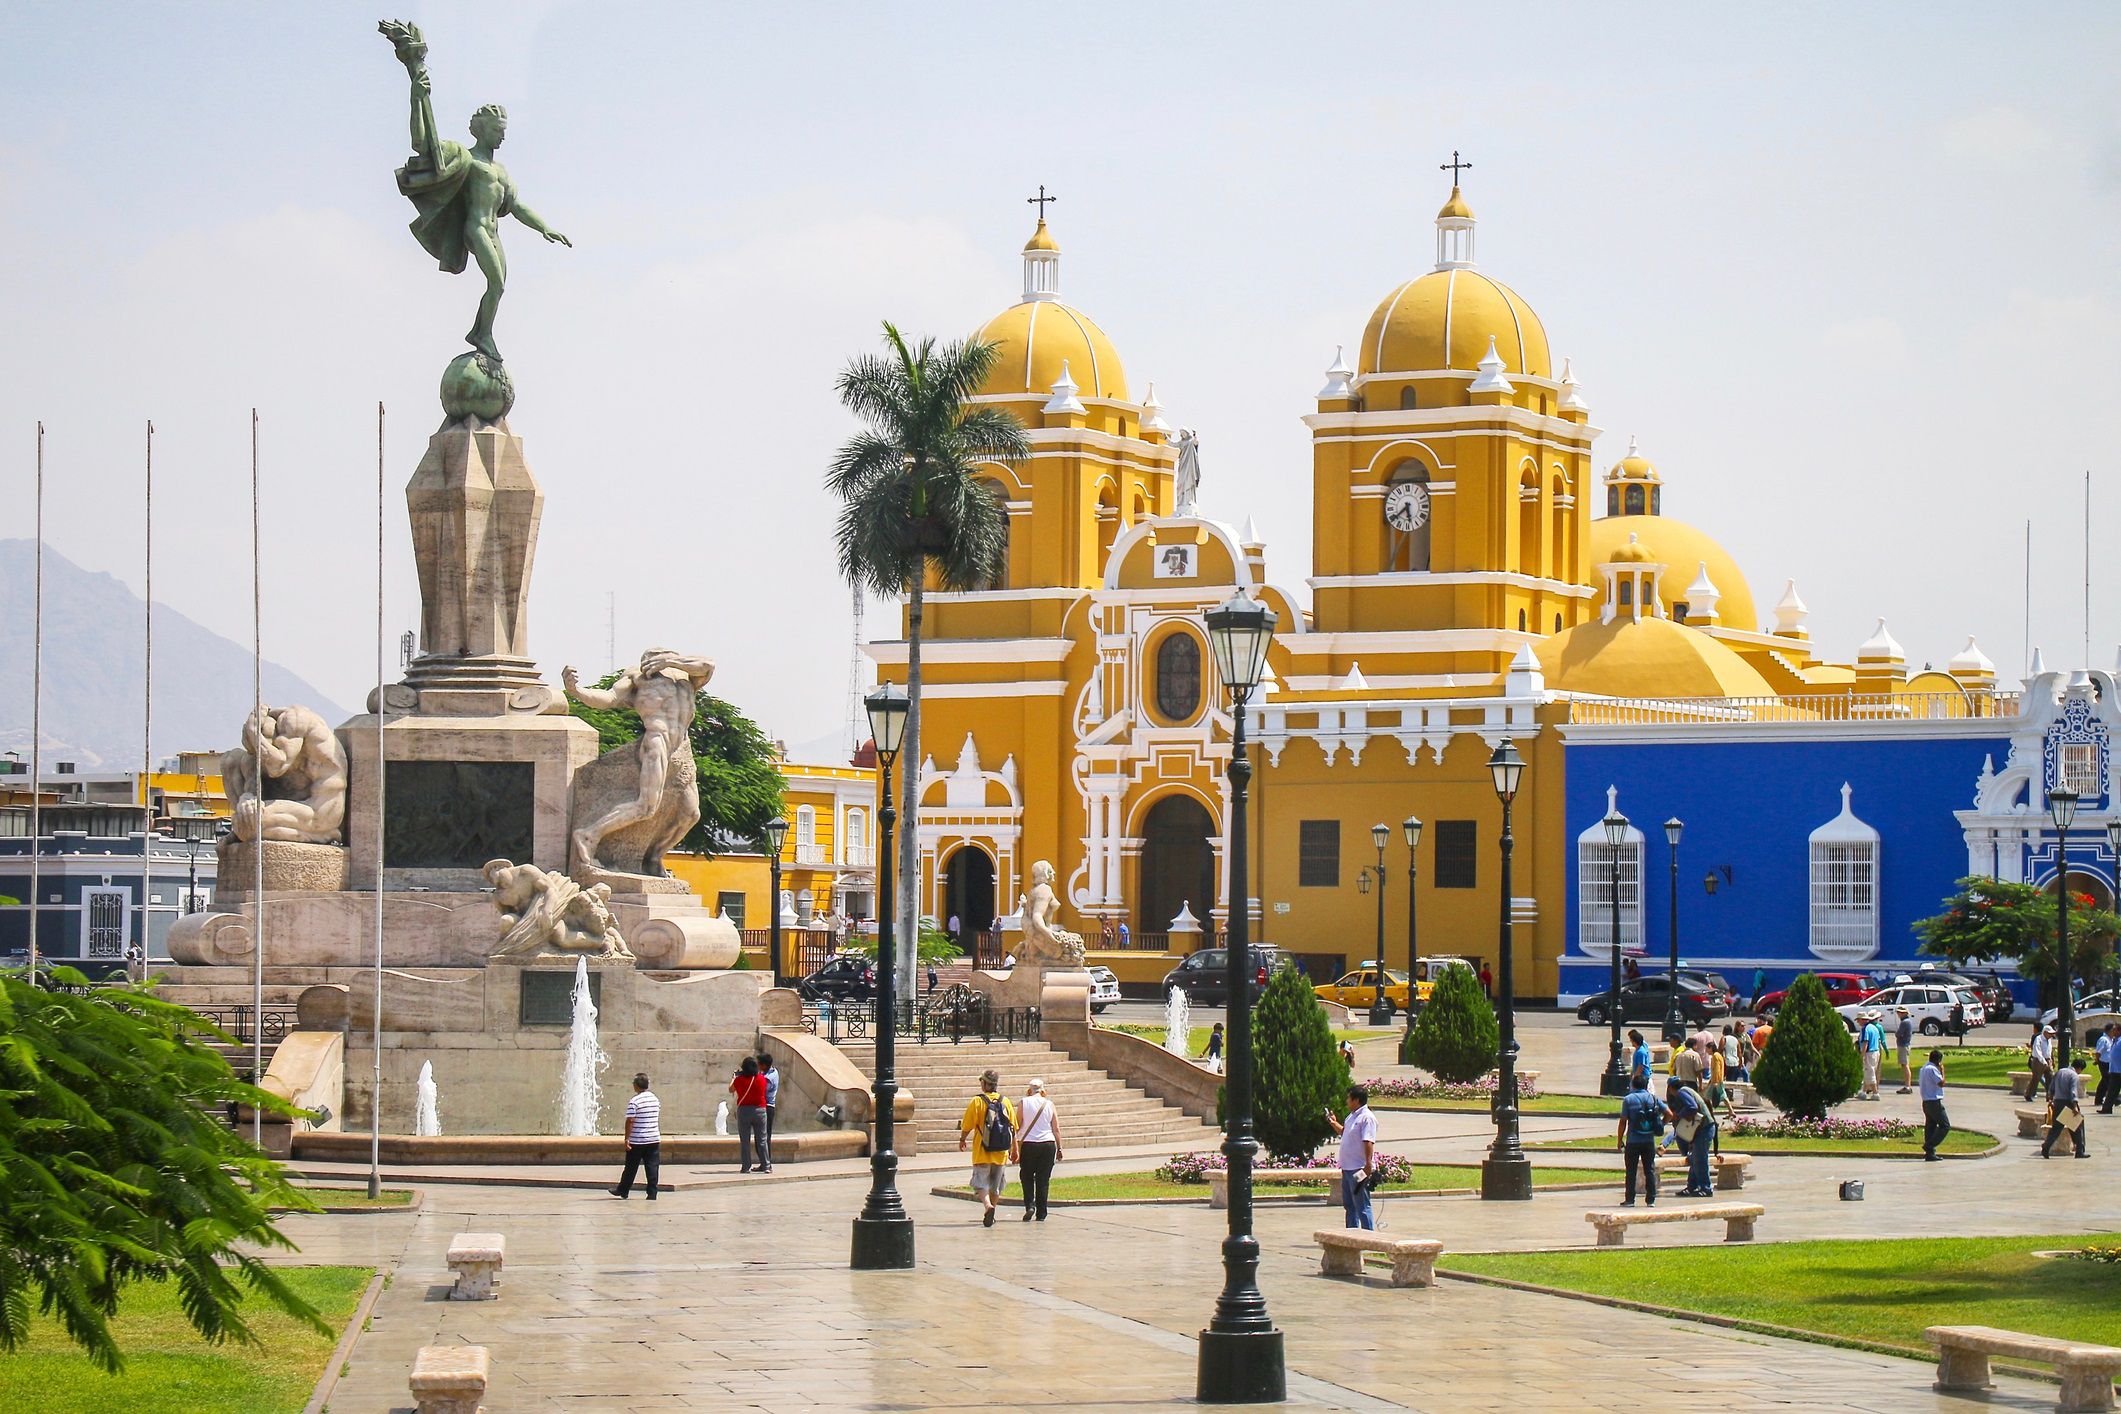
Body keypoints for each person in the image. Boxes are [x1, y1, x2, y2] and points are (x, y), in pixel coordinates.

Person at [959, 1068, 1016, 1227]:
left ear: (984, 1084)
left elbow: (967, 1125)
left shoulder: (977, 1101)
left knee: (980, 1182)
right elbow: (1013, 1127)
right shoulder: (1005, 1101)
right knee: (995, 1185)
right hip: (1001, 1152)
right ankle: (993, 1210)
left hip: (982, 1150)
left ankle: (987, 1206)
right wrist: (1015, 1148)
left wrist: (962, 1139)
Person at [1326, 1084, 1379, 1230]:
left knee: (1361, 1204)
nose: (1346, 1101)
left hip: (1359, 1169)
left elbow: (1368, 1141)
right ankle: (1352, 1235)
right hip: (1347, 1168)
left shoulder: (1367, 1118)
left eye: (1349, 1098)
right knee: (1349, 1205)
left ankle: (1368, 1237)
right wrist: (1333, 1122)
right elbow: (1344, 1132)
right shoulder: (1352, 1116)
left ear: (1357, 1100)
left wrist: (1368, 1165)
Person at [1011, 1078, 1062, 1222]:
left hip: (1029, 1144)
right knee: (1043, 1180)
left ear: (1029, 1091)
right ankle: (1042, 1213)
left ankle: (1030, 1206)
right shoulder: (1049, 1104)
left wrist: (1014, 1145)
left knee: (1026, 1176)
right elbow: (1056, 1128)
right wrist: (1060, 1148)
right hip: (1048, 1144)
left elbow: (1017, 1125)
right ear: (1043, 1091)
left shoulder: (1023, 1102)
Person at [1617, 1074, 1671, 1208]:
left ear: (1633, 1085)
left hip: (1633, 1140)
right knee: (1649, 1170)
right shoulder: (1653, 1098)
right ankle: (1650, 1200)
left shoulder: (1628, 1100)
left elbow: (1623, 1121)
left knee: (1631, 1170)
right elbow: (1669, 1114)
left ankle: (1630, 1199)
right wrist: (1660, 1126)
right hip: (1648, 1140)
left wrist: (1619, 1140)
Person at [609, 1072, 661, 1200]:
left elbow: (630, 1120)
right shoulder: (655, 1099)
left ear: (636, 1086)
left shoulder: (635, 1101)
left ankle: (623, 1190)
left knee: (631, 1167)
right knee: (652, 1167)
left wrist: (627, 1138)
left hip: (638, 1140)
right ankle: (652, 1192)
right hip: (653, 1138)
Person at [1669, 1079, 1715, 1195]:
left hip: (1704, 1129)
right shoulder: (1687, 1090)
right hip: (1702, 1129)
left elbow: (1692, 1107)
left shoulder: (1681, 1093)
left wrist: (1679, 1116)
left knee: (1700, 1159)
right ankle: (1692, 1186)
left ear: (1670, 1088)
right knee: (1695, 1159)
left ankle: (1706, 1188)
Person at [2041, 1052, 2089, 1159]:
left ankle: (2046, 1146)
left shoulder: (2060, 1071)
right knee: (2077, 1126)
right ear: (2079, 1068)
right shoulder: (2074, 1076)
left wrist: (2050, 1099)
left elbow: (2052, 1087)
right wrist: (2075, 1106)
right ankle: (2080, 1151)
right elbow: (2073, 1092)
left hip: (2057, 1102)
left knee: (2056, 1128)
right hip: (2067, 1103)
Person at [731, 1056, 770, 1173]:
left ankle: (746, 1166)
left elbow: (731, 1089)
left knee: (745, 1140)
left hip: (744, 1111)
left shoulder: (739, 1080)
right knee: (762, 1139)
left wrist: (733, 1078)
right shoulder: (762, 1079)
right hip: (760, 1110)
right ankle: (766, 1165)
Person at [1918, 1050, 1950, 1160]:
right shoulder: (1932, 1069)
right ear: (1938, 1060)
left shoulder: (1923, 1068)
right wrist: (1942, 1071)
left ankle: (1930, 1154)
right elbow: (1941, 1083)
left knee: (1930, 1127)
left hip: (1926, 1102)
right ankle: (1929, 1146)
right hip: (1934, 1102)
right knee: (1945, 1125)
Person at [756, 1050, 780, 1168]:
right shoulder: (772, 1071)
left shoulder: (769, 1077)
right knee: (762, 1136)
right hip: (766, 1107)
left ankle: (766, 1163)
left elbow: (762, 1091)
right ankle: (764, 1163)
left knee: (764, 1137)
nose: (758, 1066)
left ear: (764, 1065)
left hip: (767, 1107)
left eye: (759, 1064)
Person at [1857, 1010, 1886, 1100]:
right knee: (1869, 1071)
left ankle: (1875, 1092)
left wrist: (1862, 1055)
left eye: (1858, 1020)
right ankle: (1864, 1091)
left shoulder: (1865, 1029)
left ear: (1862, 1019)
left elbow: (1865, 1042)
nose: (1858, 1022)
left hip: (1869, 1052)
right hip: (1876, 1051)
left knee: (1870, 1072)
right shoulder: (1874, 1028)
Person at [2029, 1023, 2056, 1098]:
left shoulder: (2049, 1040)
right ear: (2045, 1033)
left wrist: (2052, 1060)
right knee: (2036, 1078)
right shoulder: (2039, 1039)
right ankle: (2028, 1094)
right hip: (2038, 1061)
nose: (2051, 1035)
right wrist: (2043, 1061)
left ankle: (2050, 1095)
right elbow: (2037, 1051)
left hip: (2047, 1060)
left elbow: (2049, 1050)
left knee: (2050, 1077)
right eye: (2049, 1033)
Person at [2098, 1023, 2120, 1114]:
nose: (2112, 1031)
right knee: (2112, 1090)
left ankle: (2108, 1107)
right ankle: (2107, 1108)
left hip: (2119, 1069)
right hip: (2115, 1070)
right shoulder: (2115, 1040)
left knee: (2112, 1089)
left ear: (2119, 1031)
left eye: (2114, 1029)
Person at [1894, 1005, 1916, 1094]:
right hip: (1905, 1044)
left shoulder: (1904, 1022)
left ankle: (1907, 1086)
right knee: (1904, 1065)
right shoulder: (1907, 1021)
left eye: (1899, 1013)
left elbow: (1899, 1033)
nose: (1898, 1014)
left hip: (1903, 1045)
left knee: (1905, 1065)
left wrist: (1896, 1034)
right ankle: (1907, 1085)